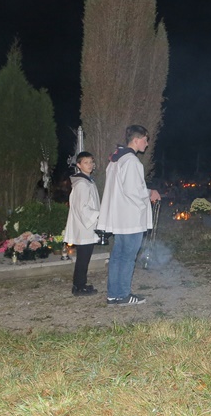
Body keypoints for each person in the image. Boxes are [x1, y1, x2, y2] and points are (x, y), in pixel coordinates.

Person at [97, 125, 161, 305]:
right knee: (127, 257)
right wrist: (150, 193)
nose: (147, 144)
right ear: (136, 140)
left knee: (118, 255)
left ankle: (113, 295)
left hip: (119, 217)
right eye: (145, 140)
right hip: (131, 218)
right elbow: (133, 191)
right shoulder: (132, 161)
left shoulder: (116, 160)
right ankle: (123, 295)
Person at [64, 151, 101, 296]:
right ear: (79, 165)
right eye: (86, 162)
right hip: (85, 226)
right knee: (83, 258)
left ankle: (81, 284)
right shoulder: (82, 184)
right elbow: (82, 208)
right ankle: (78, 287)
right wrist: (98, 215)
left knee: (85, 258)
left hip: (87, 225)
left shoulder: (88, 181)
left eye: (91, 162)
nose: (90, 165)